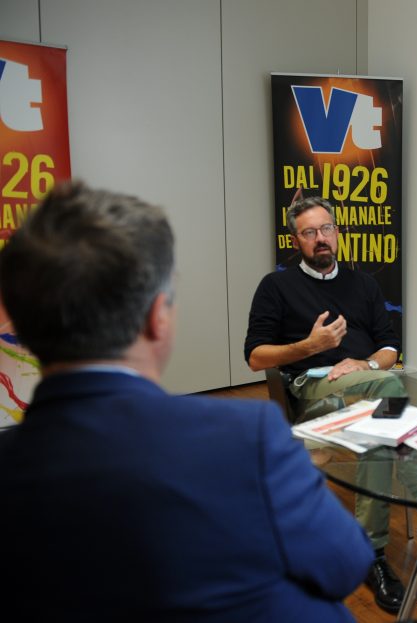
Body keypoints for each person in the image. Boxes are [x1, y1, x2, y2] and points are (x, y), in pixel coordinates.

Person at [0, 181, 373, 623]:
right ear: (159, 317)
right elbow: (345, 564)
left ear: (17, 325)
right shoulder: (246, 437)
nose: (320, 238)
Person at [244, 196, 417, 613]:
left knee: (380, 426)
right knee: (387, 394)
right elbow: (255, 357)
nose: (320, 239)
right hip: (315, 392)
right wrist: (309, 346)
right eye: (309, 232)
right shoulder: (276, 286)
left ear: (337, 233)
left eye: (326, 229)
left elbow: (391, 346)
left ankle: (371, 555)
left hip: (371, 386)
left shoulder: (364, 284)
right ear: (295, 239)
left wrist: (368, 362)